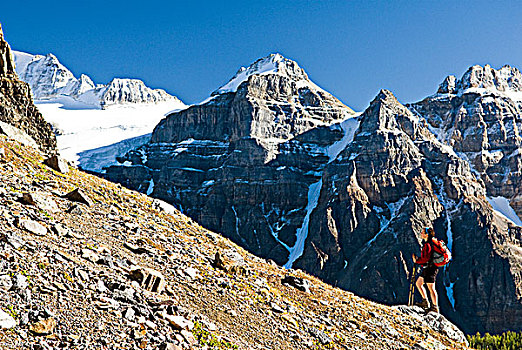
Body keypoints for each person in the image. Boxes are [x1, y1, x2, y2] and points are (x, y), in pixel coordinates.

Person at [412, 227, 439, 313]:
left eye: (422, 232)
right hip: (428, 268)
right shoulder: (429, 243)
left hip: (431, 268)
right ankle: (425, 302)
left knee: (431, 288)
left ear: (426, 234)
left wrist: (417, 261)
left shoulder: (428, 245)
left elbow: (426, 258)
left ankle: (434, 307)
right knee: (418, 283)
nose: (421, 234)